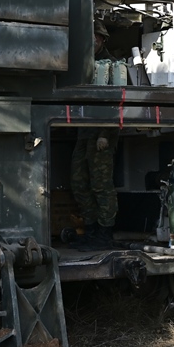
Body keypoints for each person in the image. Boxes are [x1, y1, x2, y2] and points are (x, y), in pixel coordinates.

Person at [70, 20, 120, 250]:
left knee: (101, 184)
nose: (93, 41)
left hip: (102, 131)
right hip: (84, 129)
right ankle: (90, 229)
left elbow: (114, 102)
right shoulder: (83, 62)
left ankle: (104, 233)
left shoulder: (111, 65)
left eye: (96, 37)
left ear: (102, 40)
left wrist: (105, 133)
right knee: (79, 182)